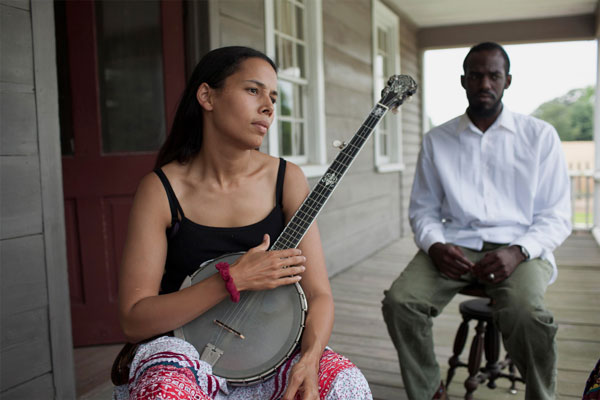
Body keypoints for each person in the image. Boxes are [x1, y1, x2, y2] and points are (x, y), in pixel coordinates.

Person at [112, 46, 372, 400]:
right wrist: (233, 280)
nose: (268, 106)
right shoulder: (161, 190)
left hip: (274, 353)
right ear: (207, 96)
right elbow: (134, 319)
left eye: (273, 97)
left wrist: (310, 359)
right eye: (253, 90)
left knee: (345, 384)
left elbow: (319, 294)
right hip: (183, 355)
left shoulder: (286, 179)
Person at [381, 42, 571, 400]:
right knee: (401, 302)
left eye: (494, 75)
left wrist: (518, 251)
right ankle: (428, 391)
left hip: (520, 246)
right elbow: (423, 209)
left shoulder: (539, 136)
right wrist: (435, 246)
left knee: (528, 314)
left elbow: (556, 215)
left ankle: (541, 396)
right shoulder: (438, 140)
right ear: (463, 81)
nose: (485, 83)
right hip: (455, 243)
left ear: (508, 81)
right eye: (476, 75)